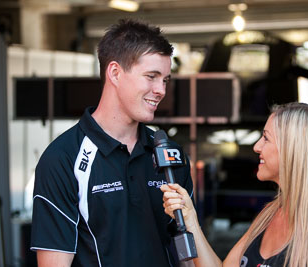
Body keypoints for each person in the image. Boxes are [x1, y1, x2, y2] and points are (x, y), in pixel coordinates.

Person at [30, 19, 193, 267]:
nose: (161, 90)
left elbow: (189, 254)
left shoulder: (170, 155)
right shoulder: (62, 158)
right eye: (151, 76)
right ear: (115, 73)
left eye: (165, 80)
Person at [162, 103, 308, 267]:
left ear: (293, 150)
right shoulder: (270, 214)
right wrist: (190, 220)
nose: (256, 147)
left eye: (266, 138)